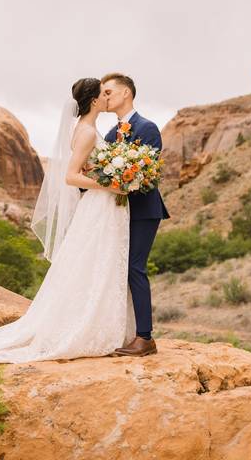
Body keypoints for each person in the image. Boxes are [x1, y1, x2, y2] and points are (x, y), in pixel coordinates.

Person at [0, 77, 134, 366]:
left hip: (103, 206)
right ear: (94, 101)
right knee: (95, 264)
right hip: (100, 204)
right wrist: (111, 185)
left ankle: (101, 322)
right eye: (104, 94)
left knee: (99, 264)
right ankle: (86, 327)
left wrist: (105, 174)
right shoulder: (87, 133)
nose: (108, 98)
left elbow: (87, 168)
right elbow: (71, 176)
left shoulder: (88, 129)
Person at [101, 73, 170, 357]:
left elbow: (148, 174)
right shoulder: (109, 134)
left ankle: (145, 337)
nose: (104, 98)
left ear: (126, 93)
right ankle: (121, 331)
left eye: (108, 92)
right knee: (116, 269)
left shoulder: (148, 127)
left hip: (143, 211)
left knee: (134, 268)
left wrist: (123, 176)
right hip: (117, 213)